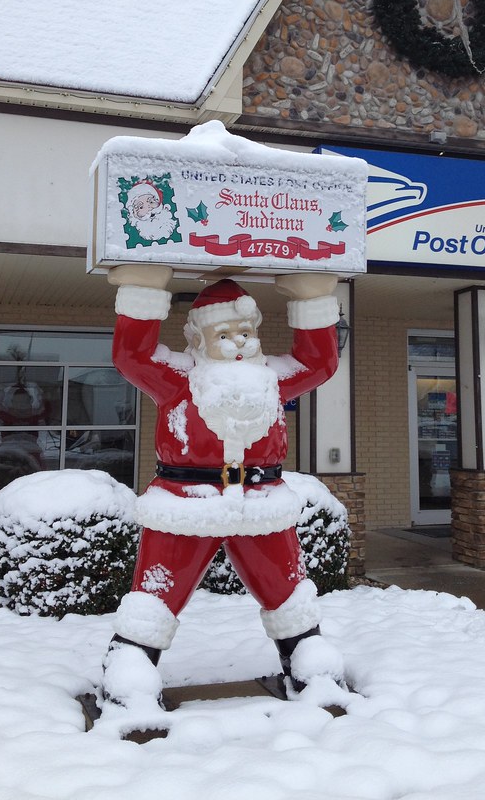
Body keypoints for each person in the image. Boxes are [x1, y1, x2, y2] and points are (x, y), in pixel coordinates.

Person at [101, 263, 345, 712]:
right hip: (186, 505)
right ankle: (132, 663)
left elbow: (319, 362)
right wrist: (144, 288)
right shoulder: (180, 379)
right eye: (225, 334)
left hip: (261, 504)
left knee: (286, 588)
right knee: (159, 590)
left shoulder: (271, 379)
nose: (239, 342)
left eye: (246, 332)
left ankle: (305, 655)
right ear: (198, 338)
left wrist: (310, 297)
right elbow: (132, 356)